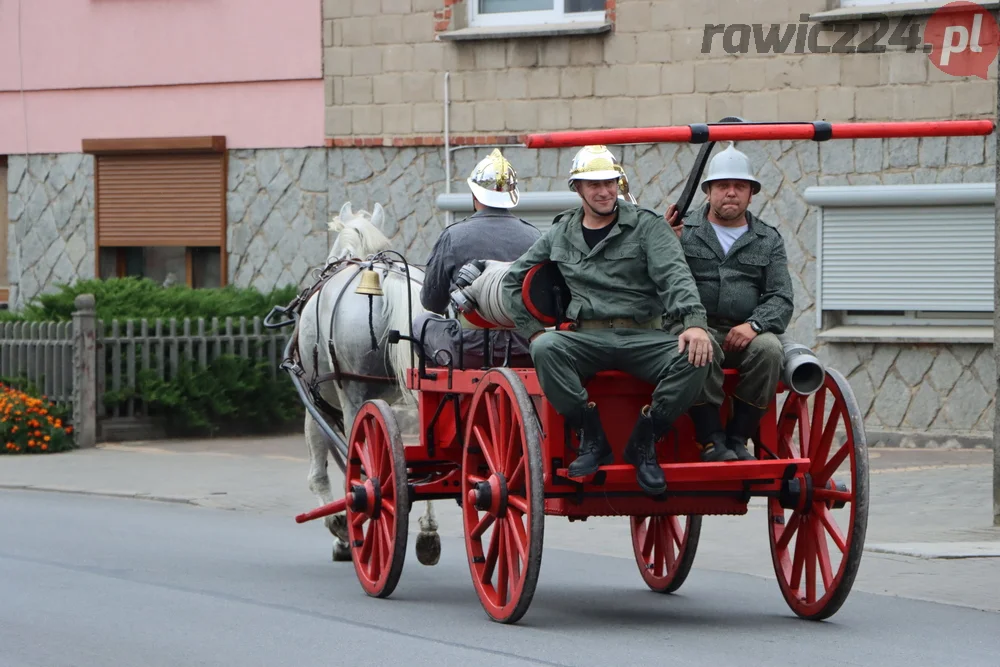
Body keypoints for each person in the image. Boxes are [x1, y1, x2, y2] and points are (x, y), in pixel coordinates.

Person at [501, 145, 714, 497]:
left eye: (610, 183)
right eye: (594, 185)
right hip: (586, 339)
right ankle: (591, 436)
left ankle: (645, 441)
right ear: (578, 189)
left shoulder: (647, 227)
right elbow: (513, 280)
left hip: (643, 336)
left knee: (695, 356)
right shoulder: (560, 232)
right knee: (546, 347)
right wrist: (533, 331)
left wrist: (694, 322)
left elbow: (675, 278)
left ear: (618, 183)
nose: (604, 191)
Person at [664, 142, 795, 462]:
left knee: (770, 349)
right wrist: (664, 242)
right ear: (708, 191)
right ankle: (710, 440)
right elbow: (654, 281)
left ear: (752, 194)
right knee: (700, 343)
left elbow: (781, 296)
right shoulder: (679, 231)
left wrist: (755, 325)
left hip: (744, 332)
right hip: (691, 327)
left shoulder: (768, 238)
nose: (731, 193)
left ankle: (738, 438)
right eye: (723, 186)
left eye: (740, 186)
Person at [415, 149, 541, 369]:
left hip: (470, 350)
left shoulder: (453, 236)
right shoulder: (535, 237)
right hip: (525, 348)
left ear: (474, 195)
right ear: (511, 198)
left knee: (421, 323)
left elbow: (432, 302)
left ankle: (441, 392)